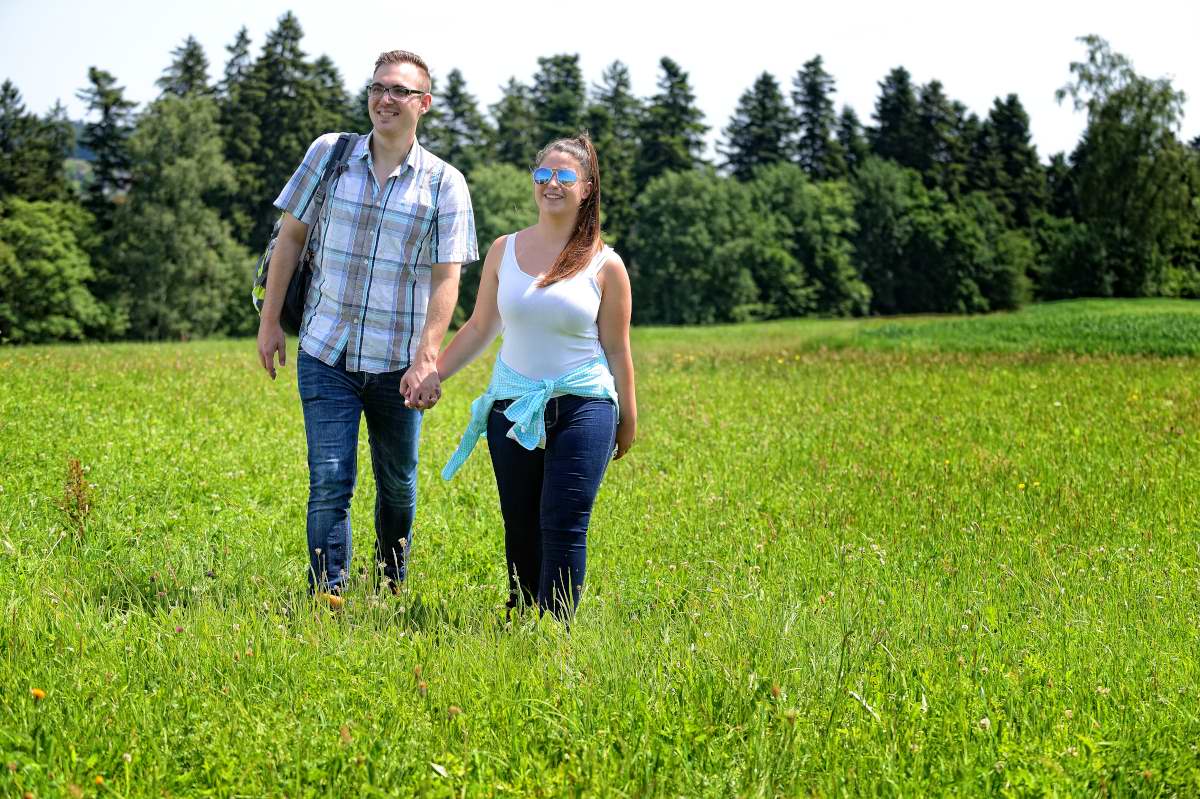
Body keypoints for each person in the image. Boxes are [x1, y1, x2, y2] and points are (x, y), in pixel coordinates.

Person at [255, 50, 478, 601]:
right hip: (325, 350)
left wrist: (427, 358)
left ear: (424, 104)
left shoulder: (445, 183)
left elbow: (446, 279)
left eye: (400, 91)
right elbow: (290, 239)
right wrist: (270, 321)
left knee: (398, 483)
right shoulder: (329, 154)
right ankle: (327, 594)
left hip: (398, 364)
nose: (385, 99)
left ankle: (388, 585)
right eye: (378, 87)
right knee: (330, 478)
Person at [436, 133, 637, 621]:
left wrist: (628, 417)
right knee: (520, 521)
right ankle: (524, 614)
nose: (552, 184)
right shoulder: (504, 250)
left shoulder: (606, 264)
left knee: (564, 520)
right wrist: (432, 374)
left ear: (586, 189)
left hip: (584, 404)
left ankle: (555, 629)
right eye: (544, 174)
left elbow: (616, 347)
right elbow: (480, 327)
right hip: (513, 403)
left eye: (565, 176)